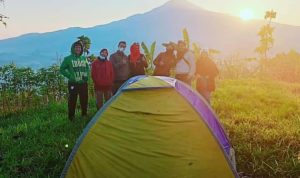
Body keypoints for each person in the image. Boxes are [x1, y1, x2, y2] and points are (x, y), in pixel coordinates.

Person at [60, 41, 90, 121]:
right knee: (72, 100)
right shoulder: (68, 59)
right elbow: (62, 69)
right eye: (76, 47)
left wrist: (86, 76)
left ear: (81, 49)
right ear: (73, 48)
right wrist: (70, 76)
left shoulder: (84, 58)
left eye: (79, 48)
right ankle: (71, 116)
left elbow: (87, 68)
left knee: (84, 99)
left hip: (83, 83)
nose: (78, 49)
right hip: (73, 83)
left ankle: (84, 114)